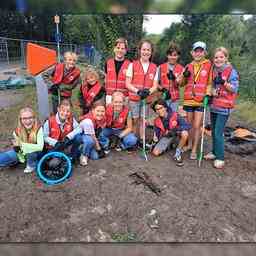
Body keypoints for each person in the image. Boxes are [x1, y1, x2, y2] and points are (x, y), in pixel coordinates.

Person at [204, 47, 239, 169]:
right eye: (216, 57)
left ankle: (220, 158)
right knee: (213, 131)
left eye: (221, 57)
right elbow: (212, 87)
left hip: (225, 107)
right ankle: (214, 152)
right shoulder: (213, 70)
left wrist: (224, 83)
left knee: (218, 132)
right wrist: (211, 92)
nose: (218, 59)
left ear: (226, 58)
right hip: (214, 106)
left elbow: (234, 88)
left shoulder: (231, 71)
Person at [180, 41, 212, 160]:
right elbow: (182, 84)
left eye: (201, 51)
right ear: (192, 53)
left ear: (204, 52)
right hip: (188, 100)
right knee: (189, 125)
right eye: (196, 51)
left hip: (200, 99)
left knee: (197, 125)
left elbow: (209, 82)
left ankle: (194, 149)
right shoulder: (188, 65)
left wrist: (208, 93)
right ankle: (188, 145)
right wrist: (184, 75)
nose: (198, 53)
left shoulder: (208, 64)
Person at [126, 39, 158, 144]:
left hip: (146, 99)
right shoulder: (132, 65)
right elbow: (128, 83)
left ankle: (142, 140)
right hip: (134, 98)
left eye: (148, 50)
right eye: (144, 49)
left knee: (143, 120)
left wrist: (148, 92)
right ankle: (134, 139)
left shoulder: (155, 67)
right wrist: (137, 91)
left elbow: (155, 85)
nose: (146, 52)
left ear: (151, 52)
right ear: (140, 50)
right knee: (135, 119)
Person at [0, 107, 44, 173]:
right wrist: (21, 158)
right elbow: (19, 150)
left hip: (35, 153)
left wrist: (21, 144)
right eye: (24, 118)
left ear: (34, 118)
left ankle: (32, 165)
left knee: (31, 152)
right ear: (20, 119)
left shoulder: (39, 129)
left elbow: (40, 147)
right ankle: (16, 161)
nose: (28, 121)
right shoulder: (16, 132)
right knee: (2, 159)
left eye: (30, 117)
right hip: (22, 153)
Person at [151, 99, 191, 166]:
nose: (159, 111)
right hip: (167, 136)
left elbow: (188, 126)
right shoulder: (156, 121)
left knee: (185, 133)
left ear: (165, 107)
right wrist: (154, 139)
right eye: (157, 109)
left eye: (160, 108)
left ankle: (178, 152)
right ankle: (170, 145)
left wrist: (174, 130)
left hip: (177, 134)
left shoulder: (175, 115)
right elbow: (157, 135)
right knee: (155, 153)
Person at [158, 42, 184, 112]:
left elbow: (181, 84)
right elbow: (156, 83)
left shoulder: (181, 68)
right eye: (170, 55)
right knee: (163, 118)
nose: (172, 57)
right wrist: (163, 89)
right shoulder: (161, 67)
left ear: (178, 56)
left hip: (175, 99)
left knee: (173, 119)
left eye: (175, 55)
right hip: (163, 98)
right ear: (167, 55)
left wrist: (175, 80)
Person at [105, 37, 130, 105]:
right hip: (110, 96)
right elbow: (106, 78)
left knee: (123, 115)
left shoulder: (130, 65)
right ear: (114, 49)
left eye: (122, 48)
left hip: (124, 97)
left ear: (125, 51)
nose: (120, 50)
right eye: (118, 48)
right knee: (109, 115)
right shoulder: (108, 63)